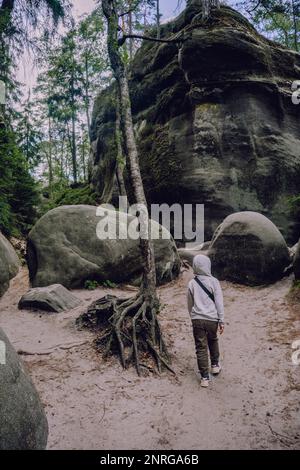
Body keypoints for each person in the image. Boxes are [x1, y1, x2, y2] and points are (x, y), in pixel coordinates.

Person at [187, 254, 225, 388]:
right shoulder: (214, 281)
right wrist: (221, 320)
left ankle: (204, 377)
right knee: (213, 340)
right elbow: (219, 302)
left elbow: (189, 303)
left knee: (200, 347)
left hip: (197, 319)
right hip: (212, 319)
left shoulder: (192, 283)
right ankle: (215, 365)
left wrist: (193, 316)